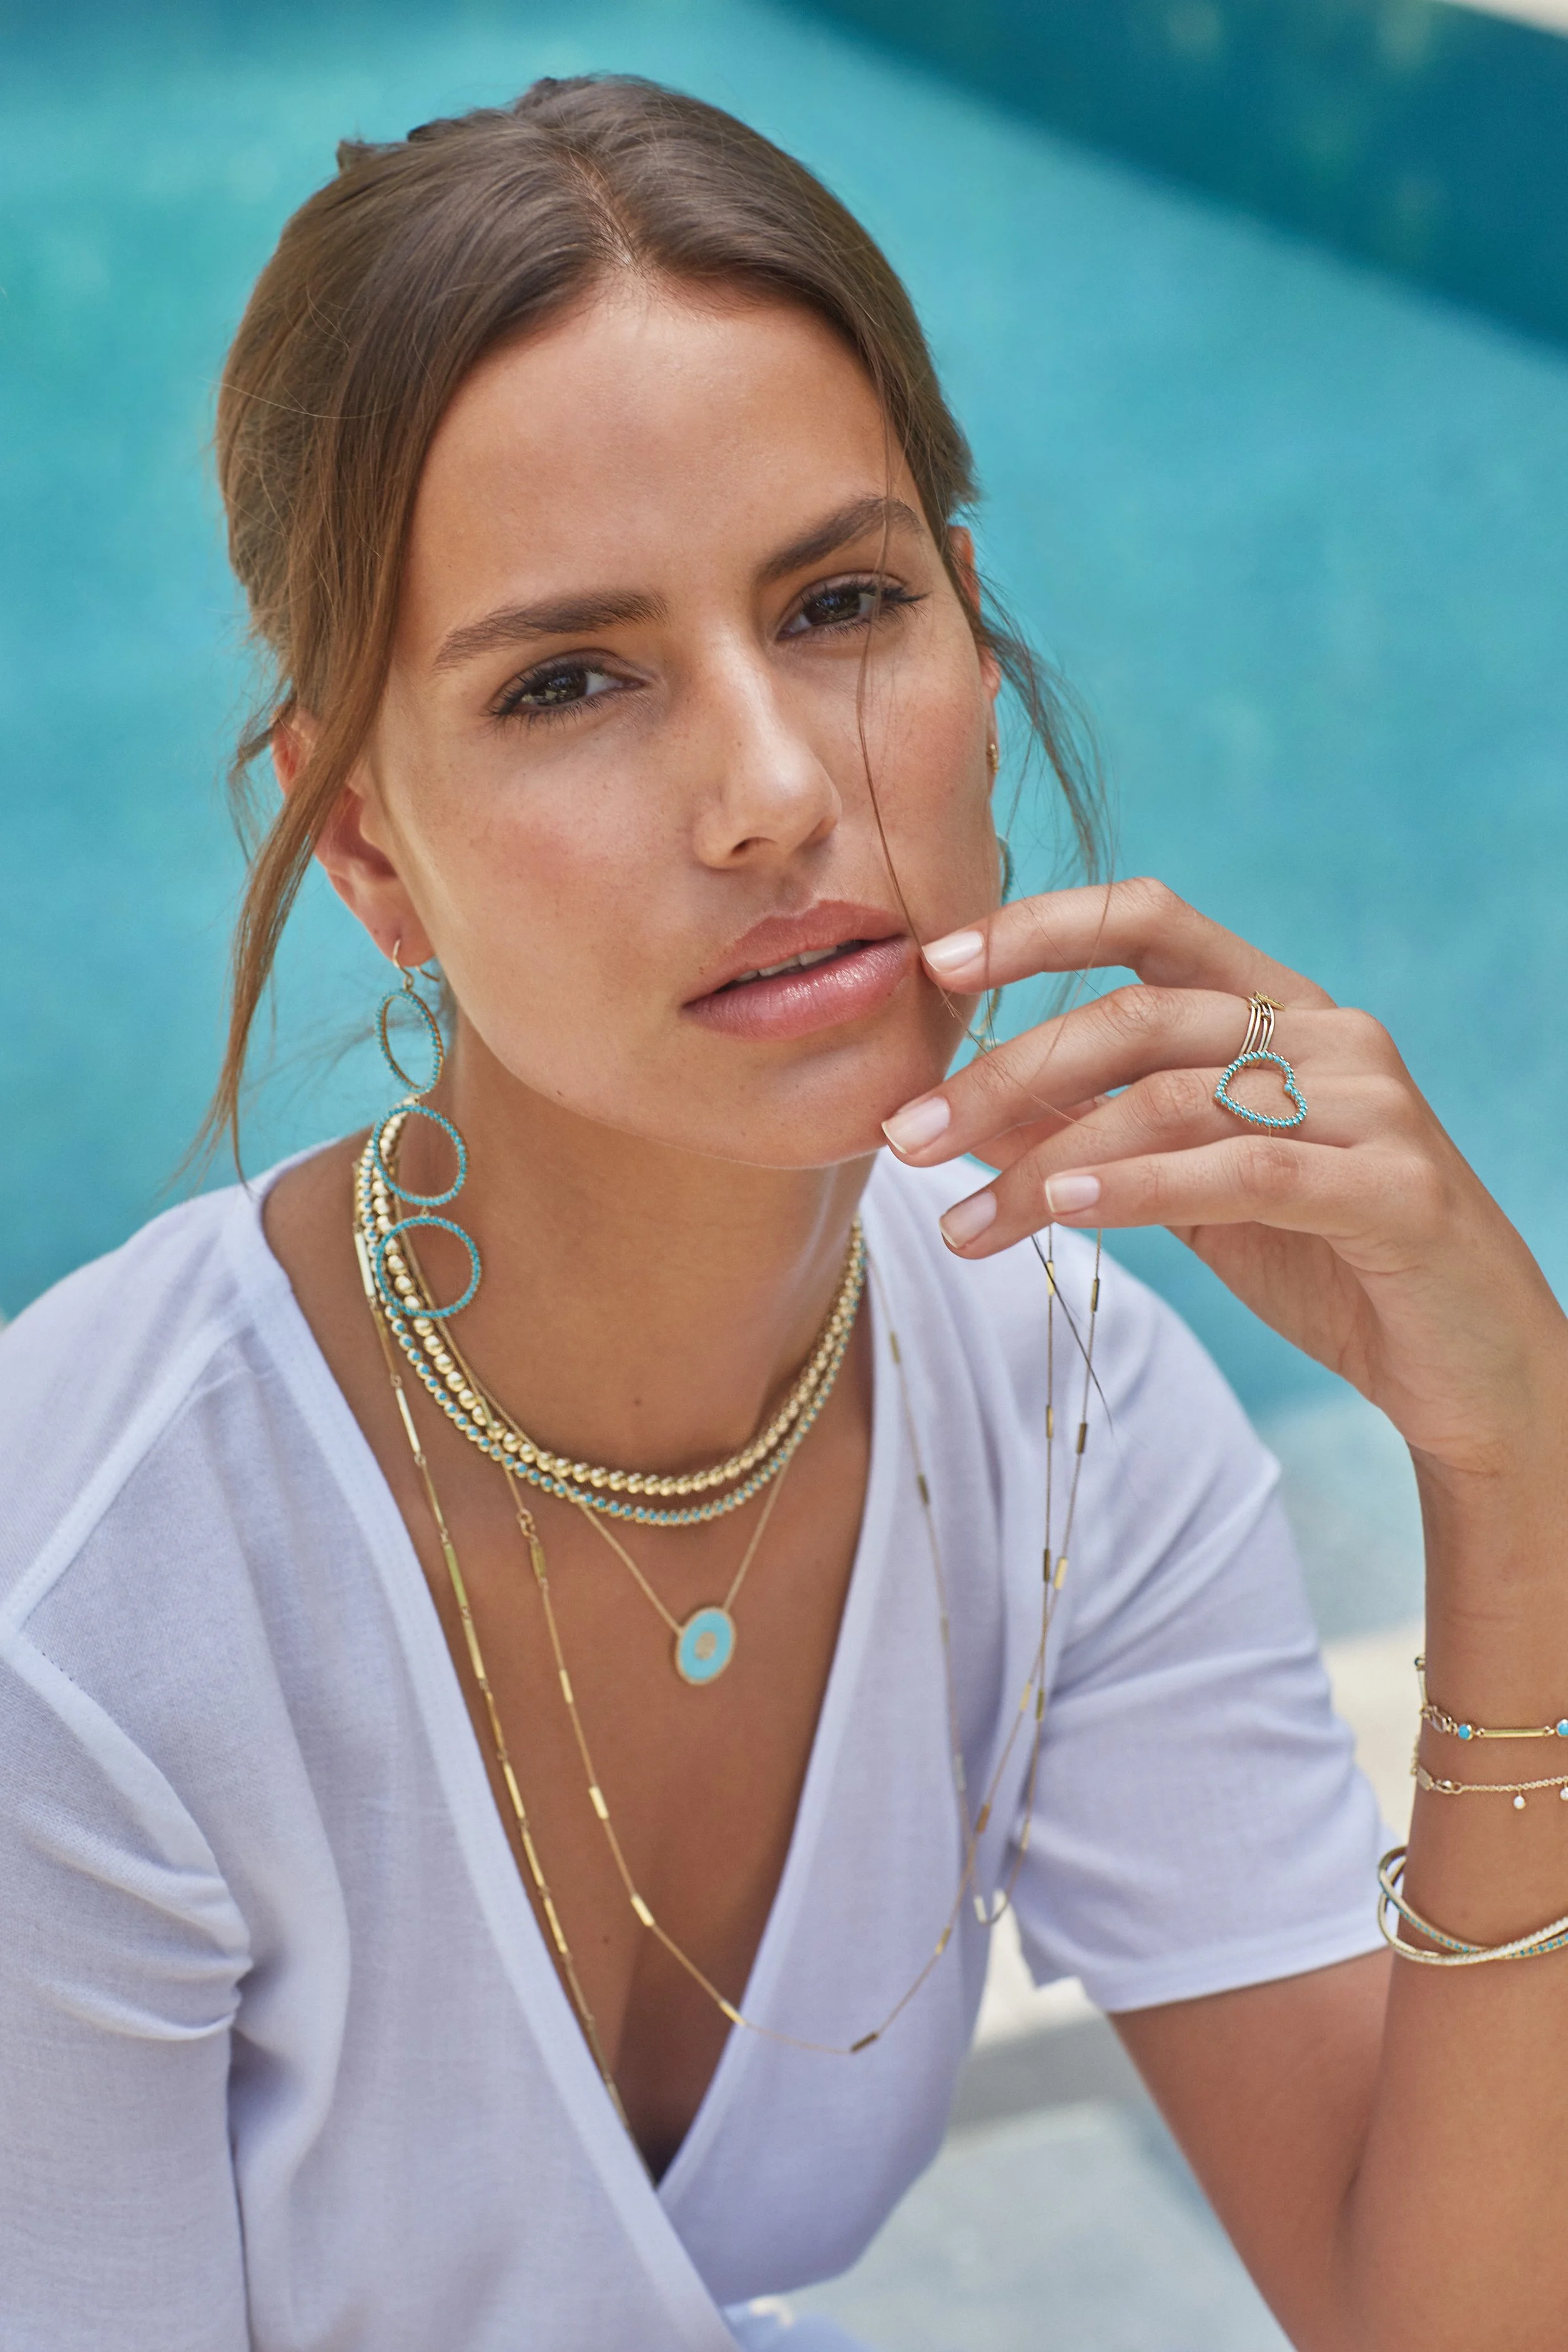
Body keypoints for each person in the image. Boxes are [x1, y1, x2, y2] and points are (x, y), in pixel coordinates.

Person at [2, 74, 1564, 2352]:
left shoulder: (1058, 1402)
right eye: (567, 679)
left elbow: (1448, 2322)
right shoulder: (91, 1608)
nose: (768, 791)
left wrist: (1517, 1480)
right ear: (358, 845)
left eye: (840, 601)